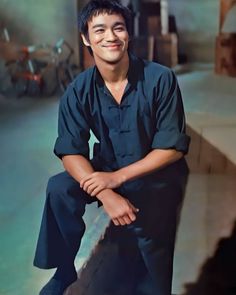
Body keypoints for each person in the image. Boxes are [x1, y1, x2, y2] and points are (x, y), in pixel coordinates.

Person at [33, 1, 190, 294]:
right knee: (59, 188)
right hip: (107, 168)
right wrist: (105, 192)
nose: (111, 37)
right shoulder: (78, 90)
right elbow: (70, 150)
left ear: (128, 34)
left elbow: (172, 148)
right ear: (86, 38)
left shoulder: (160, 79)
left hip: (156, 176)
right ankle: (64, 267)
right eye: (100, 30)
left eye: (118, 28)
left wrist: (117, 179)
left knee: (151, 276)